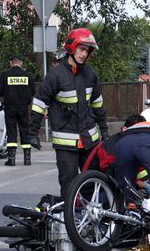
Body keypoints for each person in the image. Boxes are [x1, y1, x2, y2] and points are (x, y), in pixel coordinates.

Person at [29, 28, 109, 198]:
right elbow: (39, 102)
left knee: (93, 181)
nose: (84, 54)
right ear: (72, 47)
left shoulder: (90, 74)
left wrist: (104, 130)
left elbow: (97, 104)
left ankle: (92, 213)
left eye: (87, 51)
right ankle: (70, 214)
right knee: (69, 184)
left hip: (89, 140)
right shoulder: (56, 74)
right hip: (65, 142)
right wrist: (32, 132)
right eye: (81, 49)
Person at [0, 56, 36, 166]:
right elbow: (33, 91)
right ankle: (27, 159)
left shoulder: (5, 75)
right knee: (25, 130)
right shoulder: (27, 75)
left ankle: (11, 158)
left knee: (11, 131)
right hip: (24, 108)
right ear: (21, 63)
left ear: (11, 63)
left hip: (10, 107)